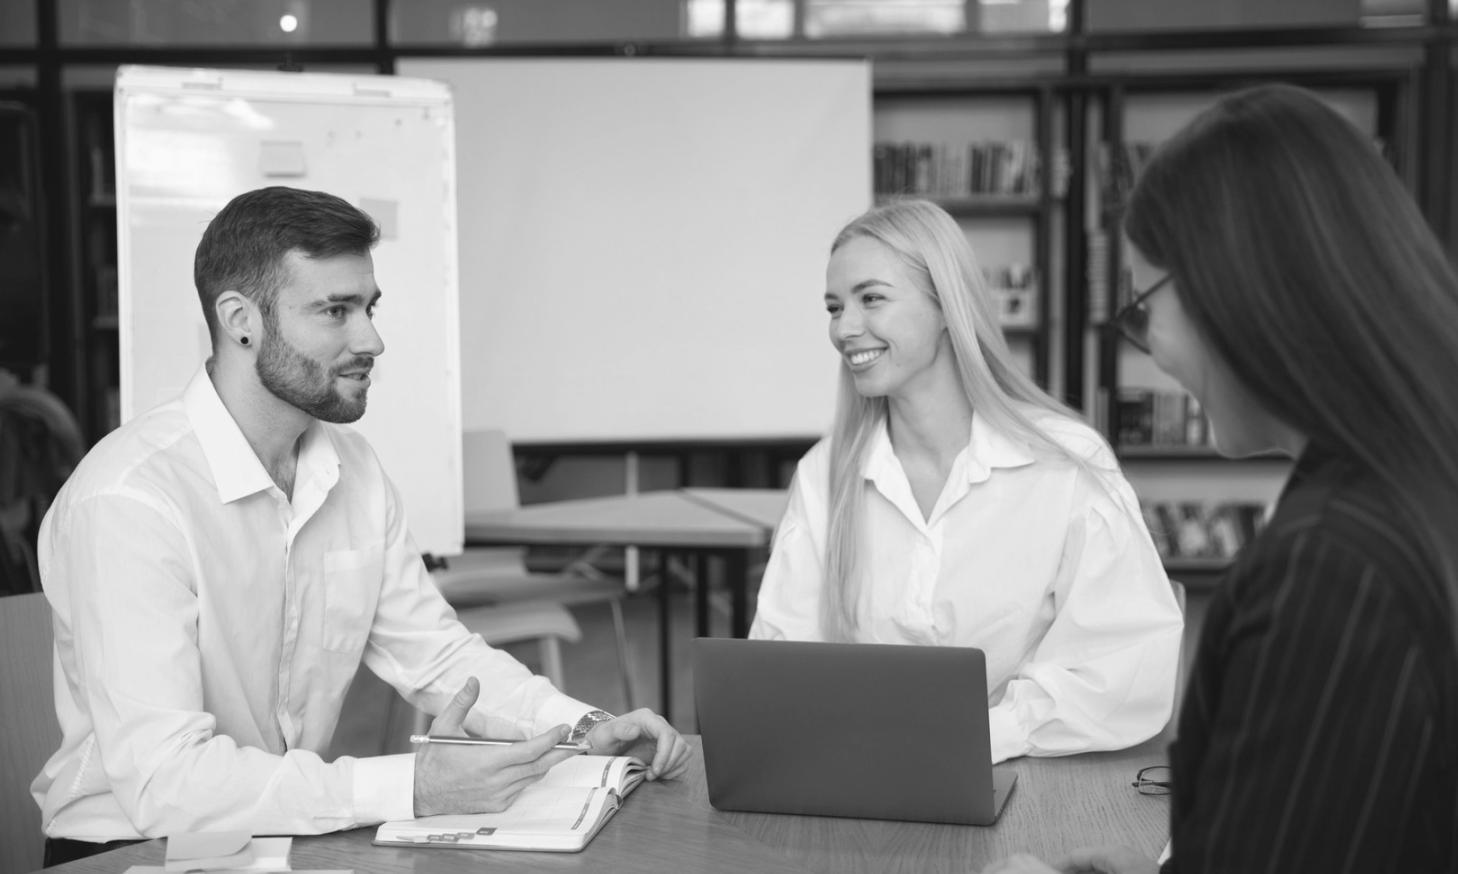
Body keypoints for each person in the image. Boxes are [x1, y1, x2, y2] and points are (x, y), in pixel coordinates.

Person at [31, 186, 690, 865]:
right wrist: (415, 786)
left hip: (278, 838)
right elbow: (165, 782)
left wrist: (581, 728)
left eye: (368, 308)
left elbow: (436, 656)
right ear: (240, 320)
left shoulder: (354, 469)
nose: (372, 339)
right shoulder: (130, 501)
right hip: (127, 849)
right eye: (334, 311)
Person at [982, 84, 1458, 874]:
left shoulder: (1331, 570)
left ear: (1237, 281)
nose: (1146, 349)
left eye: (1143, 307)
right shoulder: (1414, 482)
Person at [749, 199, 1184, 764]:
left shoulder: (1065, 463)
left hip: (1030, 777)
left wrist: (982, 737)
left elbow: (1124, 666)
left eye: (871, 298)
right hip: (866, 778)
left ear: (946, 306)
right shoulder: (824, 474)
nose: (843, 328)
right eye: (834, 307)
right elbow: (781, 661)